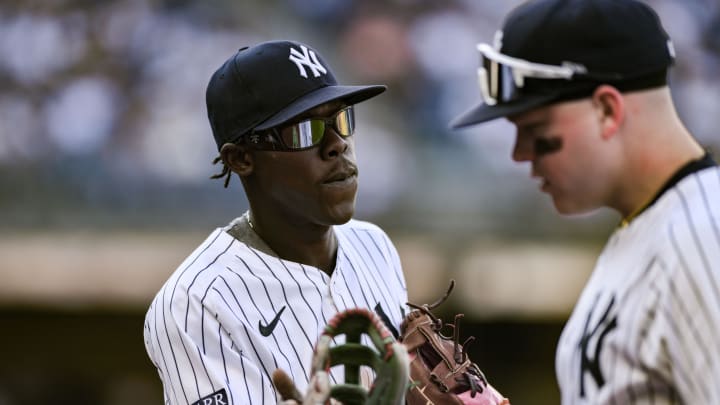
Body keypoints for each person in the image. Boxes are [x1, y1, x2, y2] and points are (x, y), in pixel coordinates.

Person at [451, 0, 720, 403]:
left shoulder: (703, 237)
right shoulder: (653, 226)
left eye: (536, 129)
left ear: (607, 109)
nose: (520, 153)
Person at [143, 40, 409, 405]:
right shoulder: (197, 304)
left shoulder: (375, 246)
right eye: (305, 129)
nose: (336, 145)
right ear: (240, 159)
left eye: (341, 119)